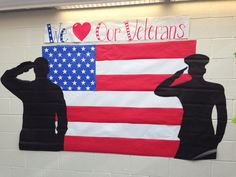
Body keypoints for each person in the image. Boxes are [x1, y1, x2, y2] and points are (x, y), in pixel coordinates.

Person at [154, 54, 227, 160]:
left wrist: (175, 76)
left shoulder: (183, 87)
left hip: (187, 134)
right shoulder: (216, 88)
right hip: (207, 134)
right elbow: (222, 117)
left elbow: (159, 90)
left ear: (189, 71)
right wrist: (217, 138)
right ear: (204, 70)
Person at [1, 57, 68, 151]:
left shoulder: (27, 88)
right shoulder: (55, 90)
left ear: (34, 70)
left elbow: (5, 78)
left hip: (28, 140)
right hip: (49, 140)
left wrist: (23, 68)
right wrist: (59, 139)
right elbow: (62, 117)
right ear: (48, 70)